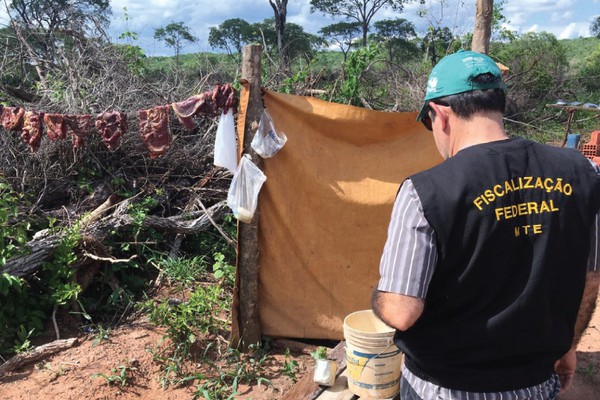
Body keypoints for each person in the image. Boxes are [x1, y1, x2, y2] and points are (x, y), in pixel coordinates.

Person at [371, 50, 600, 400]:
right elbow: (590, 276)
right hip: (536, 384)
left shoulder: (425, 191)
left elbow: (402, 312)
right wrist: (567, 344)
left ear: (440, 115)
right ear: (498, 104)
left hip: (444, 388)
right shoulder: (582, 173)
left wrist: (378, 298)